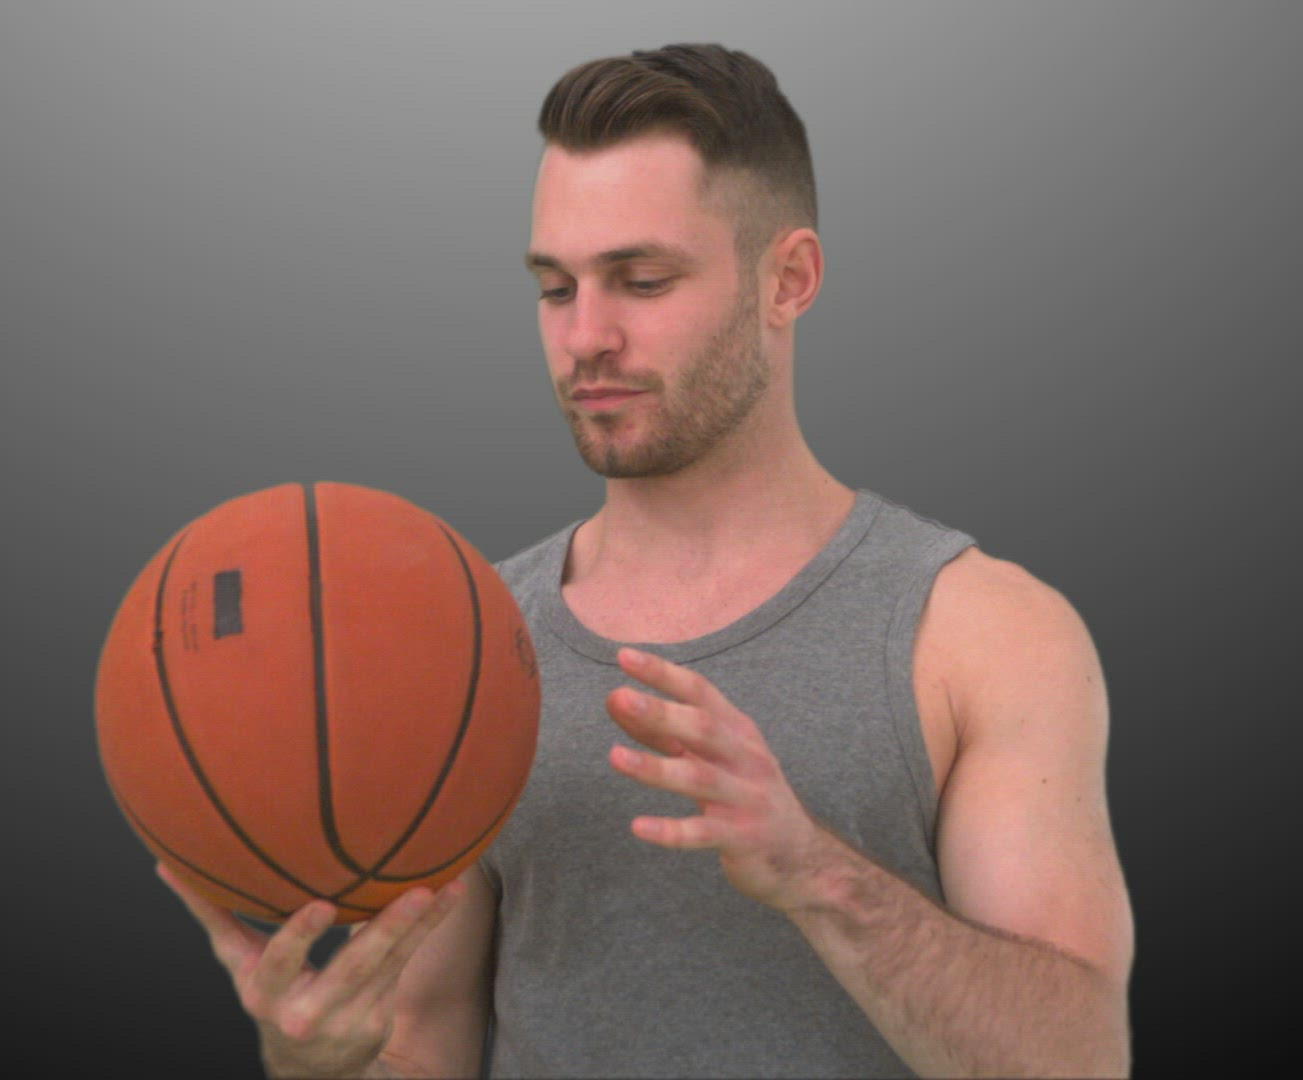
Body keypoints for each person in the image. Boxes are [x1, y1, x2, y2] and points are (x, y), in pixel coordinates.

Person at [157, 43, 1134, 1078]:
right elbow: (423, 1052)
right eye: (555, 288)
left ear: (789, 279)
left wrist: (817, 874)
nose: (586, 336)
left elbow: (1081, 1062)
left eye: (642, 280)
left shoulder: (982, 632)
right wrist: (316, 1065)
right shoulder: (473, 650)